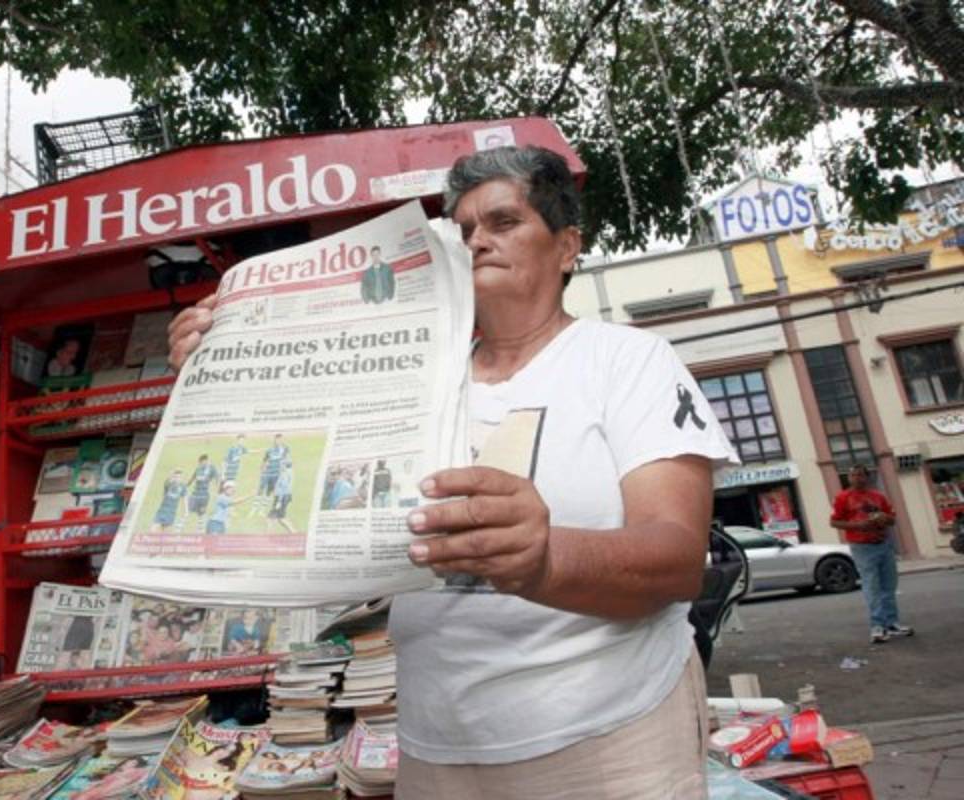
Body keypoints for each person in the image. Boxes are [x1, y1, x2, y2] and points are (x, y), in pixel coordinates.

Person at [168, 145, 736, 798]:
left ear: (568, 246)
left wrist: (542, 559)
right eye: (463, 230)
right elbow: (293, 498)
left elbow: (676, 560)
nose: (477, 242)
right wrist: (220, 381)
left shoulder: (627, 362)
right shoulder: (411, 379)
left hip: (605, 735)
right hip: (435, 745)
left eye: (503, 222)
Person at [830, 463, 913, 644]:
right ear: (849, 478)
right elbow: (834, 522)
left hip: (883, 543)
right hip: (861, 546)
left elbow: (892, 518)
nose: (856, 478)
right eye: (853, 475)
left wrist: (885, 518)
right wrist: (857, 525)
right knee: (871, 586)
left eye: (860, 475)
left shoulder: (878, 496)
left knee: (889, 586)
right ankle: (877, 626)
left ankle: (892, 623)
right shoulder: (843, 497)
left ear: (867, 477)